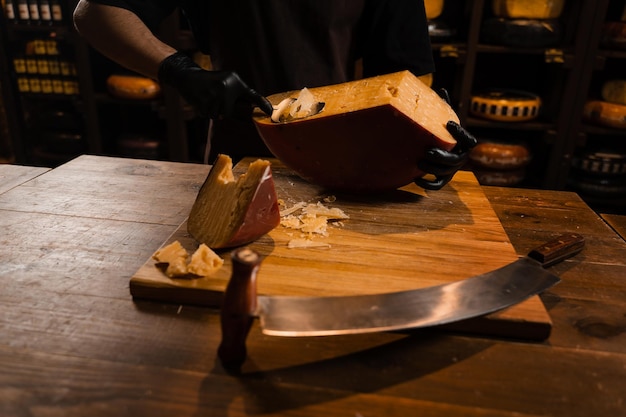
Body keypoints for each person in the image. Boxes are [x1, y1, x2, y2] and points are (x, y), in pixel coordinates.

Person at [73, 0, 476, 190]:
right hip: (241, 162)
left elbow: (407, 76)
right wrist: (181, 72)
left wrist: (432, 140)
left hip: (352, 169)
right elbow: (96, 12)